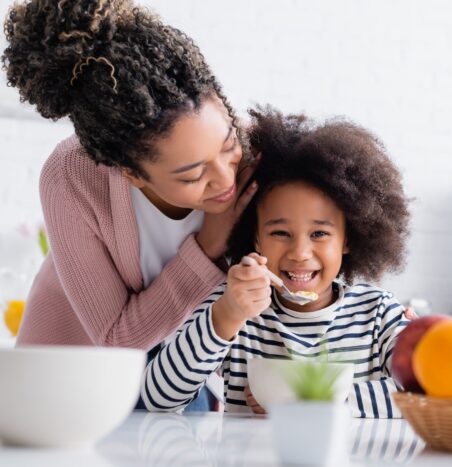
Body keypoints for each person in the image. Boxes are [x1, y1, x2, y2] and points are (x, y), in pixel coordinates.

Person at [2, 0, 257, 409]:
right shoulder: (72, 176)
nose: (226, 180)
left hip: (186, 380)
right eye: (192, 176)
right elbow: (116, 339)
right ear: (131, 174)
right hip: (73, 386)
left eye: (228, 147)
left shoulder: (255, 148)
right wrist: (208, 248)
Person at [141, 107, 412, 418]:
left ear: (348, 239)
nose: (299, 252)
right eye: (280, 232)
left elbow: (427, 393)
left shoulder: (378, 314)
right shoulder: (235, 308)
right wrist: (227, 315)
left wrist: (316, 401)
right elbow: (158, 398)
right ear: (255, 237)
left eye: (319, 233)